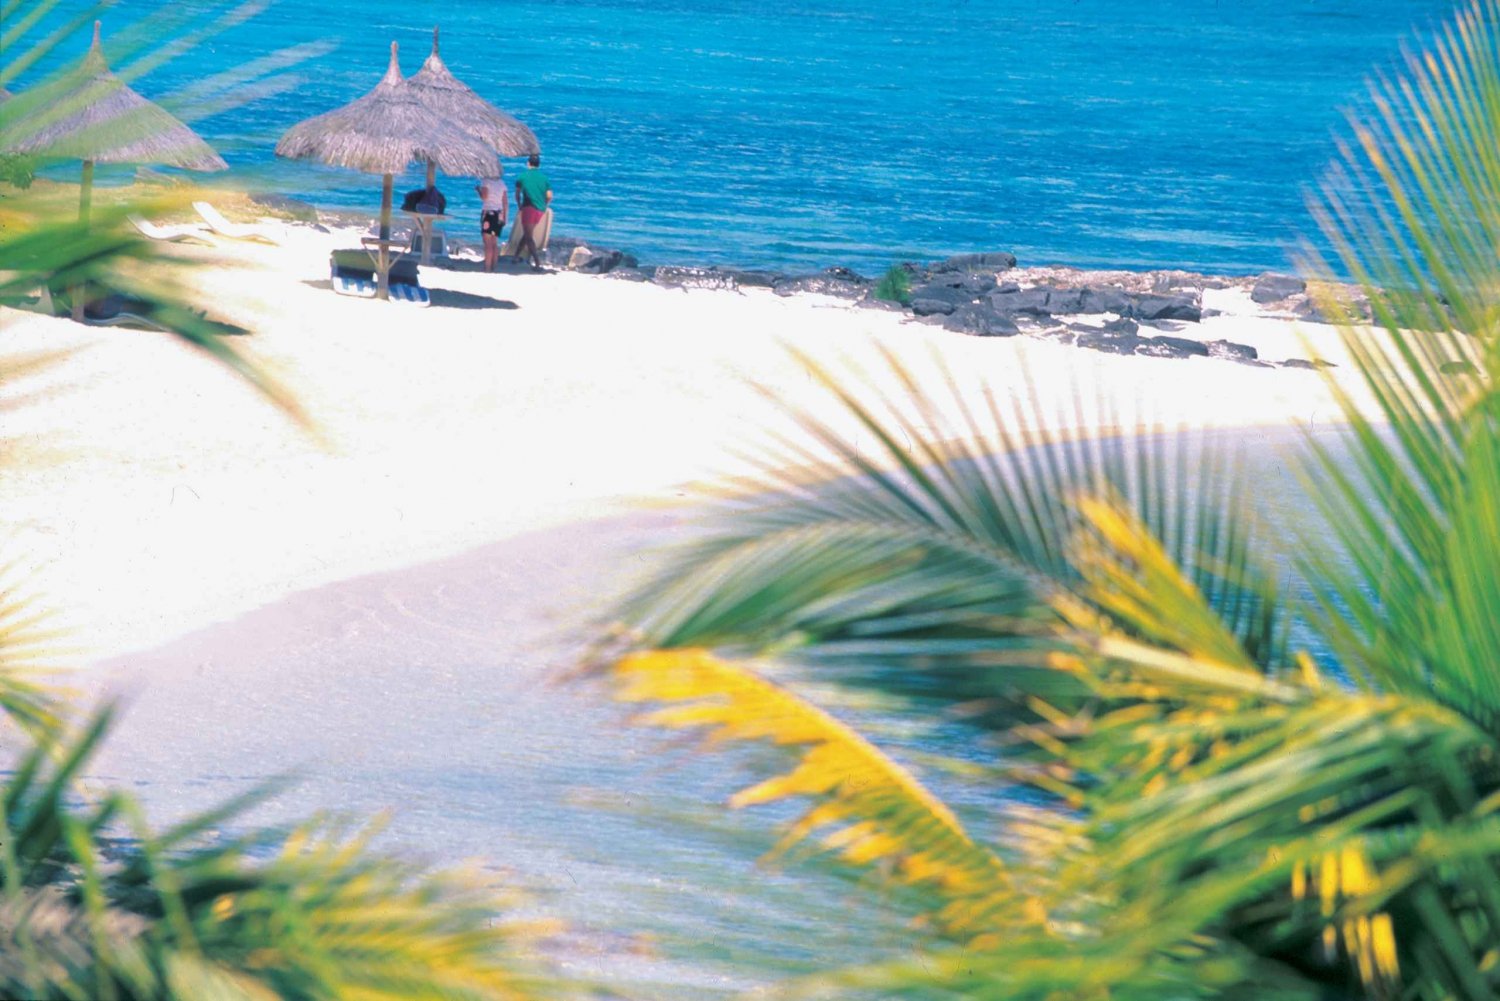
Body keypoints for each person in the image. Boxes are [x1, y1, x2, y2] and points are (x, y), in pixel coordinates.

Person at [513, 153, 552, 270]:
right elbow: (549, 195)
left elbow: (517, 194)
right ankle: (516, 256)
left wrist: (520, 205)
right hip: (540, 210)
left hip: (528, 207)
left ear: (528, 163)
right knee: (527, 233)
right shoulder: (544, 178)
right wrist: (544, 205)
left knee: (529, 236)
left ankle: (537, 262)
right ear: (538, 165)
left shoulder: (522, 176)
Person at [475, 172, 507, 273]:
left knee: (487, 242)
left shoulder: (486, 182)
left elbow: (484, 197)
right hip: (499, 214)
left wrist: (479, 190)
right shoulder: (502, 183)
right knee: (494, 242)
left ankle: (487, 267)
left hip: (489, 213)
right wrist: (505, 216)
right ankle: (494, 266)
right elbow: (505, 202)